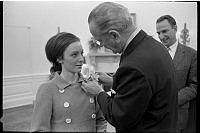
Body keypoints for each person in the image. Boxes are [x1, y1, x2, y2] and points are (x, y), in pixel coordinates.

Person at [82, 2, 178, 132]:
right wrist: (114, 82)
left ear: (114, 35)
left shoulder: (133, 66)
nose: (102, 45)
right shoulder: (155, 46)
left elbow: (119, 117)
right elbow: (145, 89)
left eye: (101, 41)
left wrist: (99, 92)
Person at [30, 32, 107, 132]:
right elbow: (39, 129)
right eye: (74, 55)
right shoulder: (48, 89)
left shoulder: (91, 85)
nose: (81, 59)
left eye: (81, 53)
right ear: (59, 58)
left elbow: (101, 120)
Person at [156, 15, 197, 133]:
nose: (161, 37)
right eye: (158, 33)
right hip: (155, 118)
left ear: (175, 28)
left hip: (178, 116)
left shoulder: (191, 55)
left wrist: (172, 100)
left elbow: (194, 86)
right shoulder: (155, 54)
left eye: (164, 31)